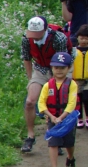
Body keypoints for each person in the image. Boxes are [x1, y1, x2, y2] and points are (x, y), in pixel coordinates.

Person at [22, 16, 68, 153]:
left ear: (45, 29)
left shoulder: (59, 38)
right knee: (30, 101)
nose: (34, 37)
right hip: (40, 68)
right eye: (32, 34)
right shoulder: (26, 38)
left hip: (59, 68)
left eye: (37, 34)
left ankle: (56, 136)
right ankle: (30, 136)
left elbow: (62, 62)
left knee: (56, 102)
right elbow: (26, 58)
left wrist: (55, 83)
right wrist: (31, 79)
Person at [38, 52, 78, 167]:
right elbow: (41, 103)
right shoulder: (47, 85)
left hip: (67, 119)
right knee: (53, 142)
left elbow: (72, 103)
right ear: (52, 68)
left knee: (69, 143)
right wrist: (51, 116)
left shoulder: (72, 84)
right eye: (56, 68)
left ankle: (70, 158)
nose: (59, 70)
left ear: (69, 68)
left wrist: (61, 117)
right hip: (53, 118)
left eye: (62, 68)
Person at [72, 23, 88, 129]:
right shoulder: (73, 51)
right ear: (77, 38)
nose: (84, 40)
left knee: (86, 98)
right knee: (78, 100)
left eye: (86, 38)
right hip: (77, 79)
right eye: (82, 38)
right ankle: (80, 119)